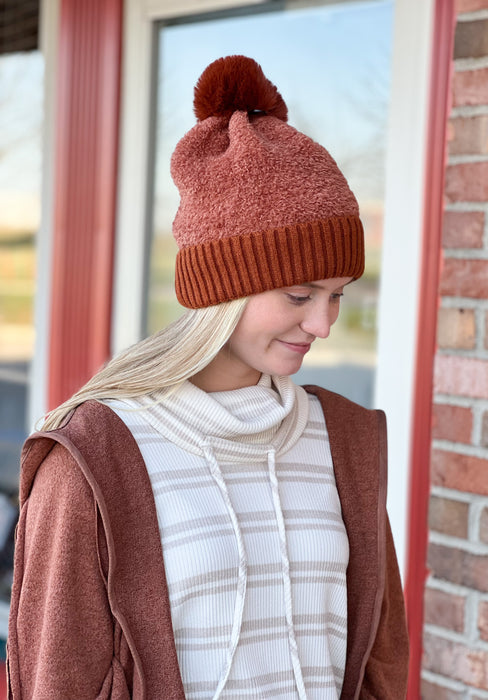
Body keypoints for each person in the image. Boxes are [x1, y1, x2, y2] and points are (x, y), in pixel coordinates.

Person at [7, 56, 408, 699]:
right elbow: (57, 679)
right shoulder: (96, 459)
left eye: (338, 295)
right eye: (300, 295)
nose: (324, 324)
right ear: (223, 291)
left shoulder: (344, 443)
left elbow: (380, 662)